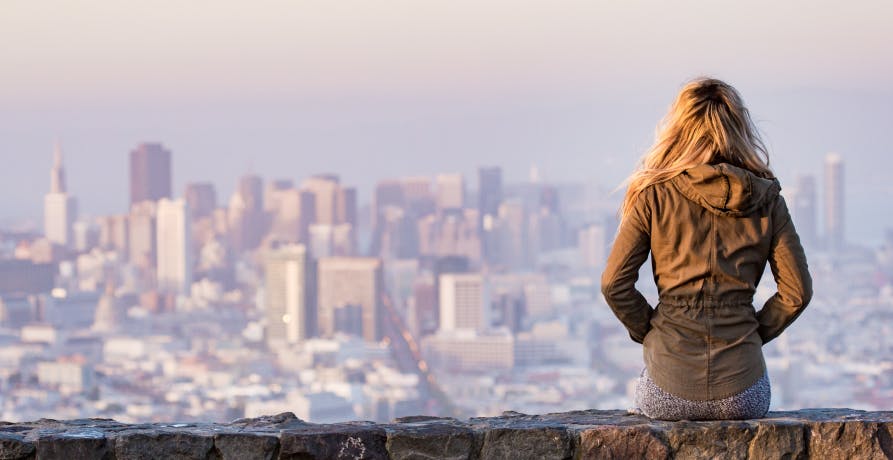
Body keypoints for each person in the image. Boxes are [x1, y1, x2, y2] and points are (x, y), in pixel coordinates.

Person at [600, 77, 812, 421]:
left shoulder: (653, 195)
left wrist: (652, 331)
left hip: (667, 386)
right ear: (739, 128)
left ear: (678, 129)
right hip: (744, 392)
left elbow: (613, 284)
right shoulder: (768, 199)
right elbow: (797, 293)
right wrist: (752, 333)